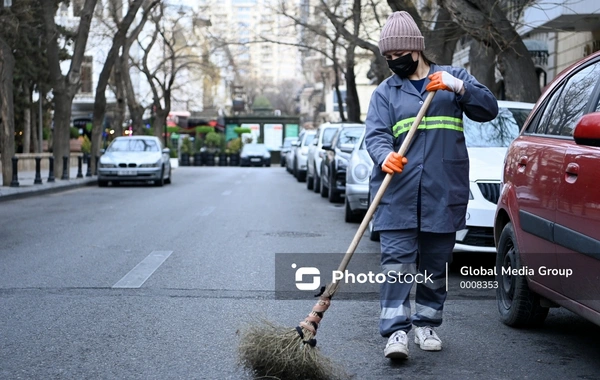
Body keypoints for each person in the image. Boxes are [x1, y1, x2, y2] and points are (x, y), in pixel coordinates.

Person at [365, 11, 499, 360]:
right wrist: (384, 156)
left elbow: (489, 109)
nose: (394, 63)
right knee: (395, 264)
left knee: (434, 264)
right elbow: (376, 135)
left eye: (399, 56)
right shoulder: (385, 93)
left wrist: (460, 88)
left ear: (416, 49)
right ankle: (395, 333)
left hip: (442, 192)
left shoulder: (452, 78)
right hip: (397, 192)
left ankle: (426, 324)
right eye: (388, 58)